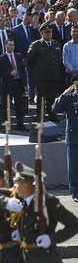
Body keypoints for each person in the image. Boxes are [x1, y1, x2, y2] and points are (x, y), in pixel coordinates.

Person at [27, 22, 63, 122]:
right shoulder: (36, 45)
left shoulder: (56, 44)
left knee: (51, 97)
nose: (48, 34)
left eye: (50, 32)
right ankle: (40, 116)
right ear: (41, 34)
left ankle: (51, 115)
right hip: (41, 76)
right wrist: (38, 70)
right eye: (46, 32)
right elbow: (30, 61)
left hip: (54, 75)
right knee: (41, 97)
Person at [52, 74, 78, 203]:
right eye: (76, 85)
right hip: (73, 137)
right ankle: (75, 193)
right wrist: (63, 95)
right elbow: (55, 109)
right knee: (73, 167)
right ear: (74, 86)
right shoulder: (68, 99)